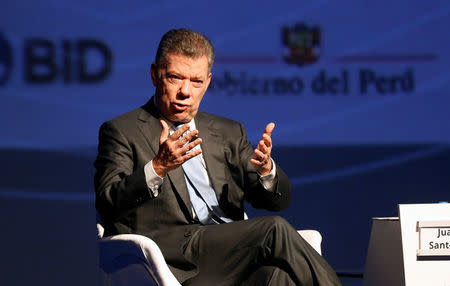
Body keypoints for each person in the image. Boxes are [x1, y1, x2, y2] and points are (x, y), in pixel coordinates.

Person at [94, 28, 341, 286]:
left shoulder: (228, 132)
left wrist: (266, 171)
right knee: (273, 229)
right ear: (155, 74)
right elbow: (107, 202)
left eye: (196, 81)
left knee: (278, 277)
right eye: (175, 78)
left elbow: (277, 202)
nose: (185, 92)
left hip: (228, 255)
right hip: (173, 258)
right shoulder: (122, 130)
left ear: (208, 81)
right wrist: (158, 167)